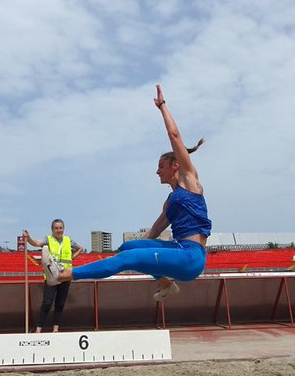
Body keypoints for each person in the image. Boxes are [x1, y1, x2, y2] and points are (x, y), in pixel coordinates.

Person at [41, 84, 210, 301]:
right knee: (128, 247)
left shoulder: (190, 180)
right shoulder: (171, 201)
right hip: (178, 249)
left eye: (161, 166)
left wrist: (162, 106)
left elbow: (175, 136)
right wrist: (133, 251)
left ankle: (62, 275)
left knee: (127, 258)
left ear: (175, 165)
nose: (157, 171)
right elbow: (154, 231)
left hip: (191, 257)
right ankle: (165, 284)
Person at [23, 220, 83, 333]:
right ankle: (38, 330)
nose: (58, 230)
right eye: (56, 228)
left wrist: (73, 257)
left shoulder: (68, 240)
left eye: (60, 228)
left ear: (63, 229)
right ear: (52, 229)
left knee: (60, 303)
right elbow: (36, 243)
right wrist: (29, 238)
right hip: (51, 275)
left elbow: (81, 248)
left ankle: (55, 330)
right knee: (47, 303)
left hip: (65, 275)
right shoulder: (48, 239)